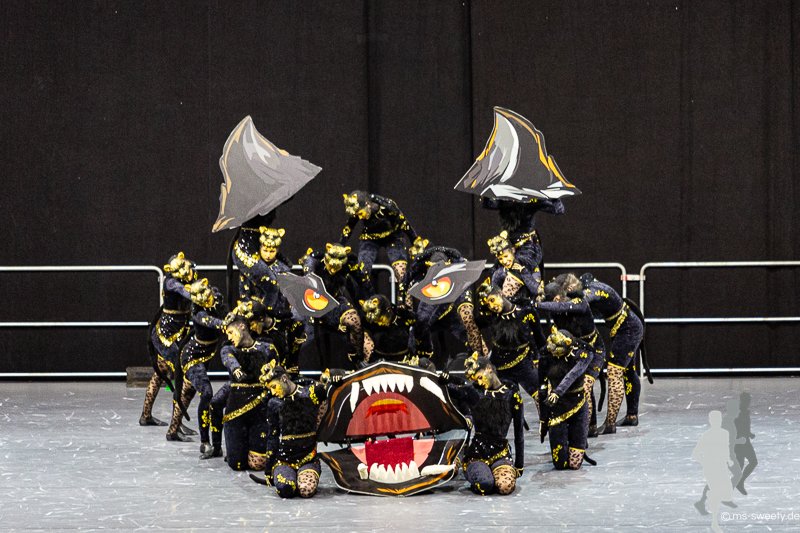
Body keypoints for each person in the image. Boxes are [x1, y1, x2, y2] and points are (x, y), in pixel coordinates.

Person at [560, 273, 644, 433]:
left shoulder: (593, 290)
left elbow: (585, 300)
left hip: (628, 330)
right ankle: (631, 415)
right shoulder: (597, 286)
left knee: (614, 372)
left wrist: (562, 303)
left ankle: (610, 423)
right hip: (627, 327)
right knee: (628, 370)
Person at [445, 353, 524, 495]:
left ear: (489, 369)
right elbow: (455, 390)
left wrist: (519, 464)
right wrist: (445, 380)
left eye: (480, 377)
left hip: (501, 453)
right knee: (485, 484)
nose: (480, 382)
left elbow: (519, 432)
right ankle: (478, 473)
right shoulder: (475, 393)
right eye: (476, 380)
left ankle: (491, 474)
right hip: (477, 454)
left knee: (505, 487)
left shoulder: (512, 395)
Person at [164, 279, 225, 461]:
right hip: (192, 358)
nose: (206, 298)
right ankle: (205, 442)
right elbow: (216, 323)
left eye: (206, 293)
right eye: (200, 297)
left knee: (188, 392)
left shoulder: (216, 296)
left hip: (205, 355)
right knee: (206, 393)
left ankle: (173, 429)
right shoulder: (199, 314)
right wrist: (232, 321)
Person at [536, 281, 605, 437]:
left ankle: (584, 431)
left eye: (552, 302)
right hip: (572, 350)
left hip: (593, 349)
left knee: (586, 386)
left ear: (558, 298)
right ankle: (589, 425)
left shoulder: (579, 302)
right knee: (574, 384)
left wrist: (537, 305)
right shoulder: (554, 310)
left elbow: (562, 307)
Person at [139, 252, 196, 433]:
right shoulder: (172, 282)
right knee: (181, 376)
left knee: (161, 373)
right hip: (166, 337)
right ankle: (175, 425)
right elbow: (186, 293)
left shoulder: (189, 278)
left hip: (179, 333)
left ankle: (146, 415)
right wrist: (202, 293)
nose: (188, 271)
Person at [407, 245, 487, 361]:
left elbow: (465, 297)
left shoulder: (459, 269)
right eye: (433, 270)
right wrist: (407, 309)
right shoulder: (419, 269)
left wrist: (466, 313)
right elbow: (405, 286)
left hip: (451, 308)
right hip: (431, 306)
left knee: (468, 320)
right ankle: (417, 360)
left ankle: (482, 359)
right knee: (418, 326)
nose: (437, 273)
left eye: (440, 270)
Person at [220, 313, 278, 471]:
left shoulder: (266, 348)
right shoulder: (228, 349)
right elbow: (228, 359)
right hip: (236, 412)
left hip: (260, 411)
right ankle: (227, 449)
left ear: (241, 326)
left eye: (231, 332)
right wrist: (236, 369)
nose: (229, 337)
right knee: (237, 465)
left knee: (257, 464)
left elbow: (277, 371)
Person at [261, 361, 328, 498]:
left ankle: (302, 477)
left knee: (306, 490)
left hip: (308, 459)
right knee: (286, 489)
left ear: (284, 379)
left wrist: (336, 375)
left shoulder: (311, 393)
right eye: (270, 389)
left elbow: (331, 387)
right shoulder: (274, 403)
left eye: (274, 386)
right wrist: (268, 470)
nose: (273, 392)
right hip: (283, 461)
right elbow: (272, 436)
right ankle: (288, 478)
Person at [339, 190, 419, 300]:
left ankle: (405, 304)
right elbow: (348, 228)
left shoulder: (388, 207)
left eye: (361, 214)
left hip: (393, 236)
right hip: (369, 238)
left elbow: (404, 223)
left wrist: (415, 240)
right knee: (362, 271)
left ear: (367, 205)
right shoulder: (357, 208)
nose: (360, 217)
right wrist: (339, 246)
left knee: (401, 271)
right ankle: (367, 302)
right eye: (357, 215)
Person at [302, 243, 371, 367]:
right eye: (330, 267)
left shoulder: (348, 263)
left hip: (335, 301)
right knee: (299, 330)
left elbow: (363, 282)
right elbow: (308, 282)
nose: (333, 270)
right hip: (312, 302)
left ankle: (357, 358)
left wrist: (369, 301)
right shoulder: (315, 261)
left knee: (355, 320)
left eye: (337, 268)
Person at [475, 283, 540, 401]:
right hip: (500, 367)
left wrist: (537, 357)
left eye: (492, 300)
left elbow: (538, 336)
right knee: (509, 402)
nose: (492, 306)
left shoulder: (525, 311)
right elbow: (475, 324)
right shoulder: (491, 316)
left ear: (500, 293)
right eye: (488, 304)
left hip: (524, 363)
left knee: (541, 396)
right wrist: (482, 308)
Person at [538, 328, 592, 470]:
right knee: (560, 465)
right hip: (557, 408)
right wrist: (543, 419)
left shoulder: (582, 353)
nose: (552, 352)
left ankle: (577, 443)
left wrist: (558, 392)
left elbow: (572, 375)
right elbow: (542, 387)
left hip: (577, 403)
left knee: (574, 464)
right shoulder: (546, 355)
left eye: (556, 350)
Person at [480, 196, 564, 268]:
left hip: (527, 246)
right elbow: (488, 204)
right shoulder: (504, 199)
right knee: (500, 273)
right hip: (506, 245)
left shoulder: (531, 199)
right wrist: (486, 194)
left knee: (523, 271)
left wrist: (553, 196)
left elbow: (558, 209)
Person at [692, 411, 733, 533]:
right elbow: (696, 453)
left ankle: (707, 499)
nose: (717, 422)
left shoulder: (725, 434)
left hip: (722, 467)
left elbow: (725, 449)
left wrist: (729, 460)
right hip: (711, 468)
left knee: (726, 494)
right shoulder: (707, 436)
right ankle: (715, 522)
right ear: (710, 421)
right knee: (717, 493)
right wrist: (705, 463)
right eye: (715, 420)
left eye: (719, 419)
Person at [360, 294, 416, 363]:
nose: (379, 324)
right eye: (376, 321)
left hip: (403, 360)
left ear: (388, 310)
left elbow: (419, 328)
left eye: (380, 320)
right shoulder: (368, 321)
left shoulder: (403, 315)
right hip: (378, 360)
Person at [733, 392, 757, 495]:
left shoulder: (744, 411)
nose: (749, 402)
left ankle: (736, 483)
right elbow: (737, 427)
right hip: (741, 442)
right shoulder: (740, 412)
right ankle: (737, 483)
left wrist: (749, 434)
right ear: (744, 400)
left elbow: (744, 427)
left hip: (744, 441)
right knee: (751, 462)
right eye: (748, 400)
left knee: (743, 464)